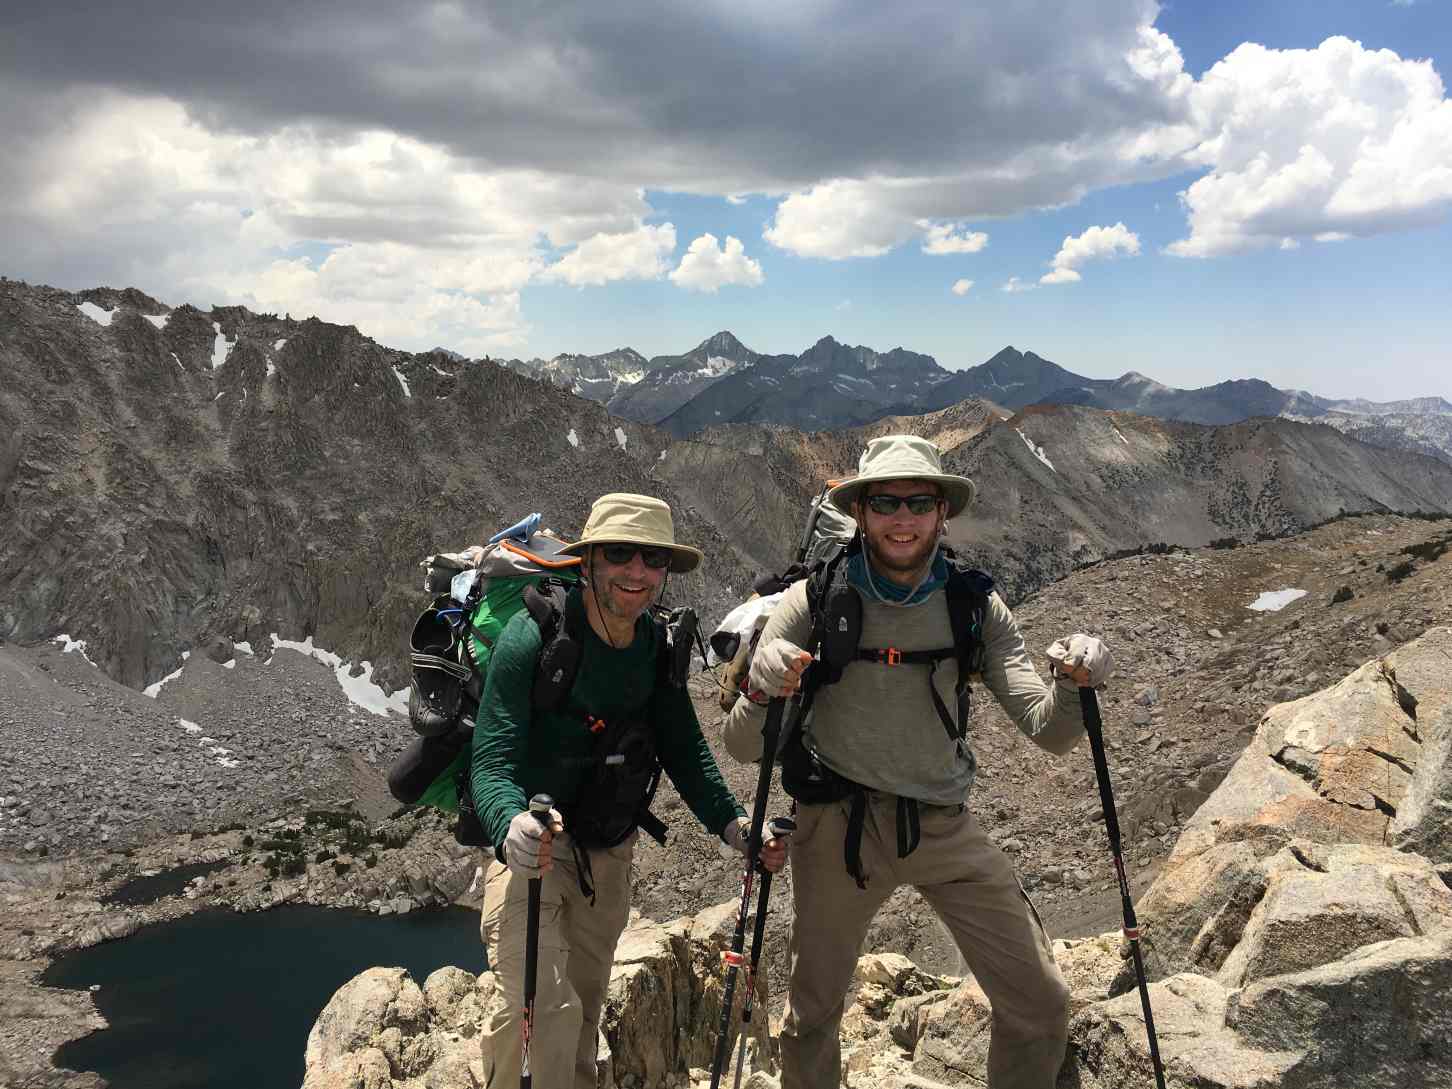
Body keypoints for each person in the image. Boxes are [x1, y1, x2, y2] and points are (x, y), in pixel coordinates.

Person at [722, 435, 1112, 1089]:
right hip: (836, 828)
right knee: (810, 1014)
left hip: (943, 825)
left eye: (918, 502)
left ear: (942, 512)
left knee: (1040, 1000)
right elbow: (742, 746)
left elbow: (1046, 728)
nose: (902, 518)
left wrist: (1076, 683)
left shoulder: (974, 605)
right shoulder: (814, 600)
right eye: (886, 502)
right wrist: (760, 686)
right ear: (862, 512)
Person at [471, 492, 786, 1089]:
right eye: (620, 553)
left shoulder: (656, 647)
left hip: (608, 850)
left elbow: (686, 750)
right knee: (539, 1005)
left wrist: (735, 827)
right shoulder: (531, 636)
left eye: (653, 558)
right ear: (588, 561)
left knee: (585, 1006)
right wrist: (509, 821)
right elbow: (490, 759)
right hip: (529, 846)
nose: (637, 571)